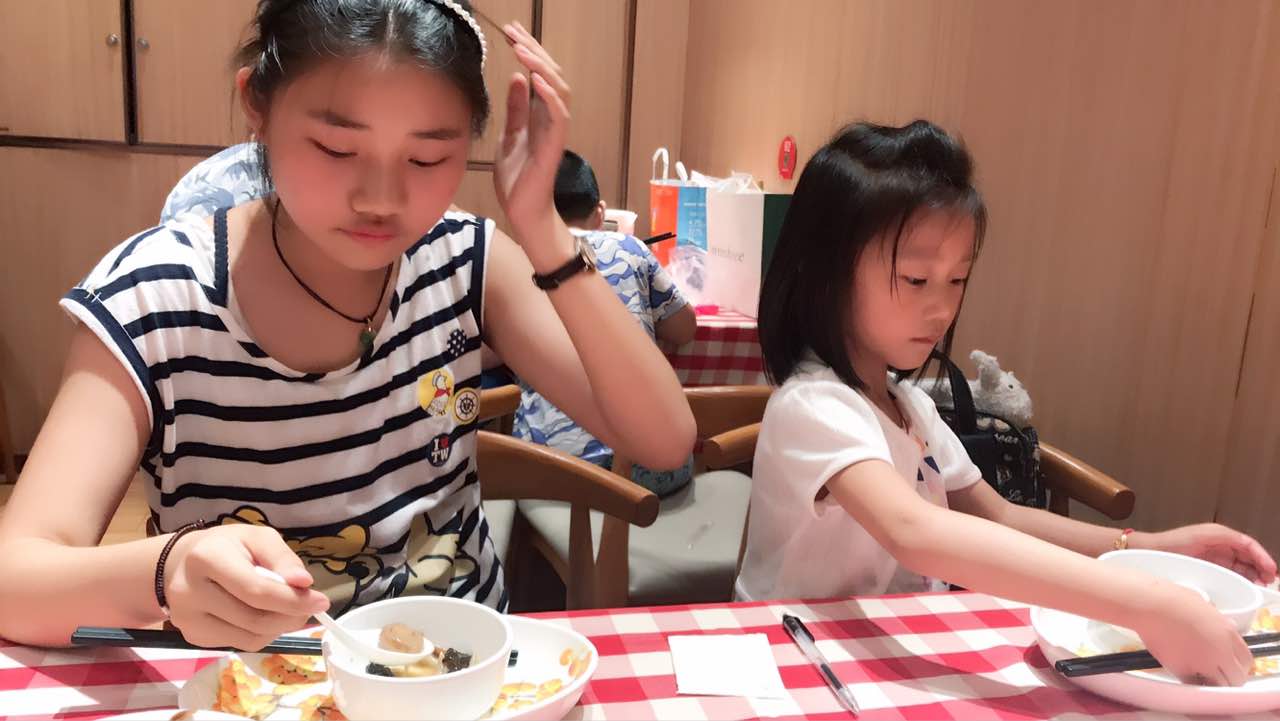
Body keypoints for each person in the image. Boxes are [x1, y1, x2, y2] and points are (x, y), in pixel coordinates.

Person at [0, 0, 694, 651]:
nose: (380, 199)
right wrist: (166, 570)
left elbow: (662, 438)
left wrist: (542, 227)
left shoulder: (466, 262)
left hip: (461, 669)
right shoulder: (155, 297)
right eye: (336, 148)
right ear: (257, 106)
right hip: (260, 683)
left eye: (428, 157)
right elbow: (14, 580)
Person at [735, 119, 1277, 686]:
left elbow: (999, 516)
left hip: (879, 650)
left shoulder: (906, 404)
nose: (942, 308)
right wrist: (1146, 601)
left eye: (957, 280)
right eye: (916, 279)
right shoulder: (814, 406)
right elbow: (915, 532)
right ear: (827, 273)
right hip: (789, 658)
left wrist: (1150, 549)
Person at [512, 150, 696, 495]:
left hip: (554, 470)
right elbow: (684, 329)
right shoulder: (631, 248)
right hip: (654, 471)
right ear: (600, 213)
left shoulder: (518, 260)